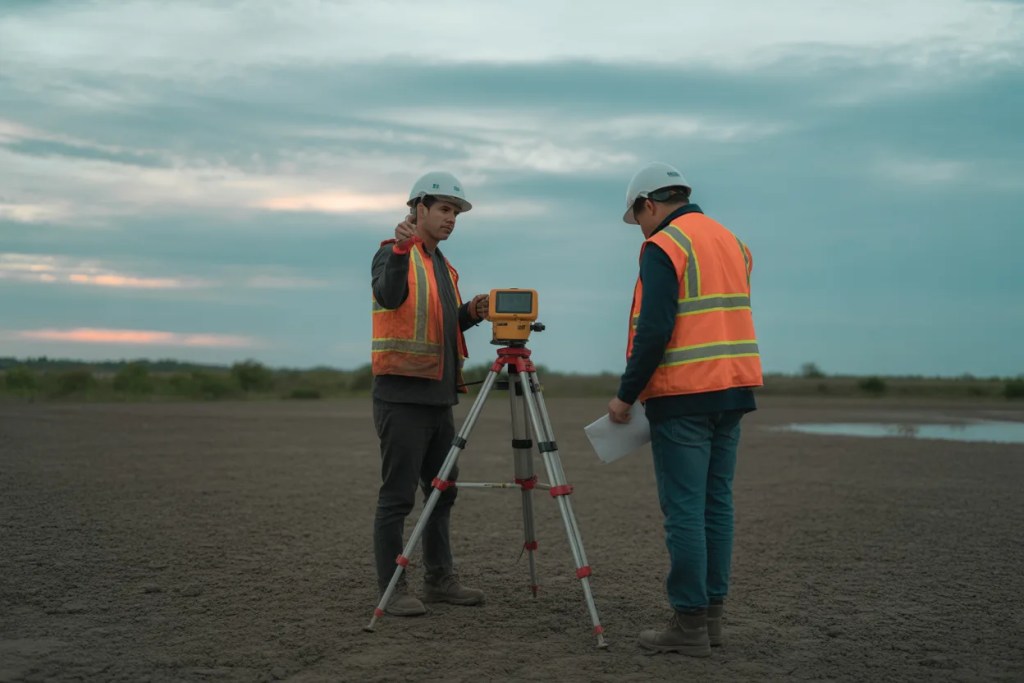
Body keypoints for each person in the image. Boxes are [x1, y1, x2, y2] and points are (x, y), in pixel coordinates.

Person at [607, 162, 763, 656]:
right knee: (717, 506)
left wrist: (625, 395)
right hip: (733, 391)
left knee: (684, 512)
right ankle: (711, 620)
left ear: (648, 204)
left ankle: (689, 624)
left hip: (683, 397)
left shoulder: (664, 246)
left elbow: (654, 329)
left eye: (639, 218)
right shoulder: (732, 242)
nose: (641, 229)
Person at [370, 171, 489, 616]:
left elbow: (439, 326)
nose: (451, 219)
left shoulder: (442, 265)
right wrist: (400, 251)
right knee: (397, 498)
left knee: (442, 491)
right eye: (443, 209)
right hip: (401, 399)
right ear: (418, 209)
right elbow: (388, 296)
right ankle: (393, 589)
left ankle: (439, 581)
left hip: (440, 400)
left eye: (455, 212)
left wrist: (470, 314)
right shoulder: (390, 254)